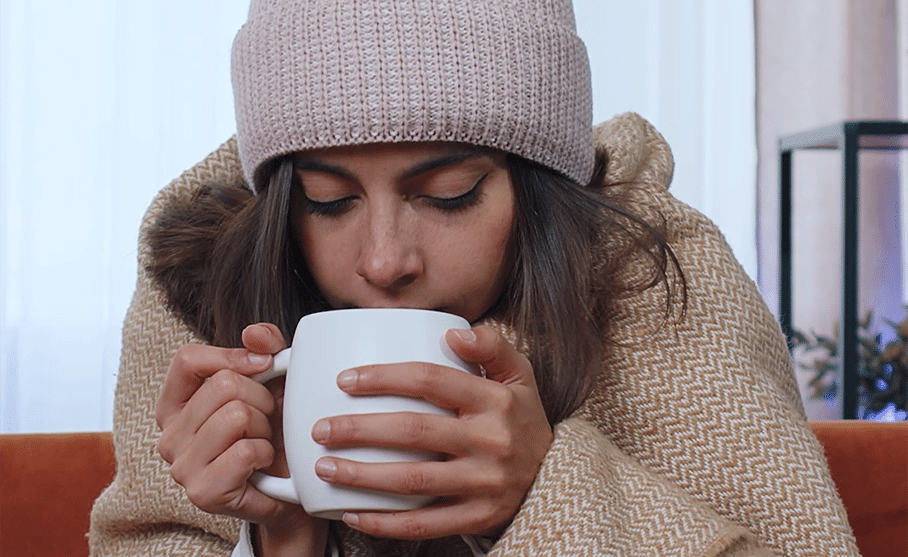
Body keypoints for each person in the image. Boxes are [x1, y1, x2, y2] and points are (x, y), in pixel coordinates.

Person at [89, 1, 860, 556]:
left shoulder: (657, 282)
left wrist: (545, 494)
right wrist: (284, 535)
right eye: (329, 201)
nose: (385, 260)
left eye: (449, 193)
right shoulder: (205, 287)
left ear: (537, 188)